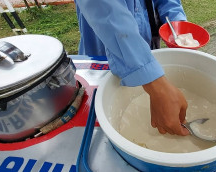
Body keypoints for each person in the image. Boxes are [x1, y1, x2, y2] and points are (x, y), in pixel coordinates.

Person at [74, 0, 189, 136]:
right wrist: (158, 87)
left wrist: (177, 24)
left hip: (147, 47)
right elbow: (107, 11)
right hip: (103, 55)